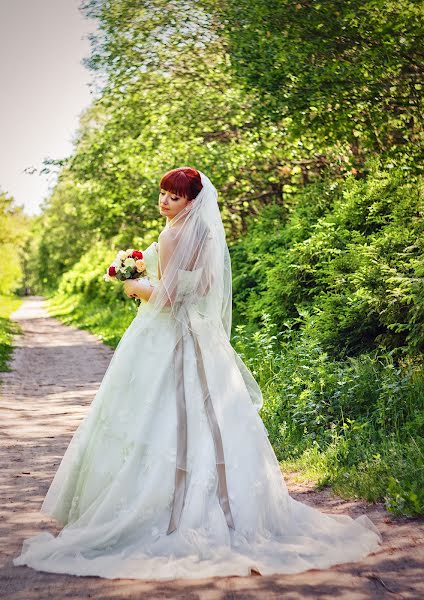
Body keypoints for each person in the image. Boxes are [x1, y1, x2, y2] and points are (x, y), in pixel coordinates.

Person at [12, 167, 383, 580]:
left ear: (191, 201)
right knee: (212, 417)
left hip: (168, 335)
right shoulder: (206, 235)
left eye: (174, 196)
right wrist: (150, 278)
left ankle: (164, 512)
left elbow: (167, 297)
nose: (165, 201)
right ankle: (234, 510)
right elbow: (203, 288)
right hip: (201, 337)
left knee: (157, 413)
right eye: (163, 194)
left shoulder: (173, 235)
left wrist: (135, 287)